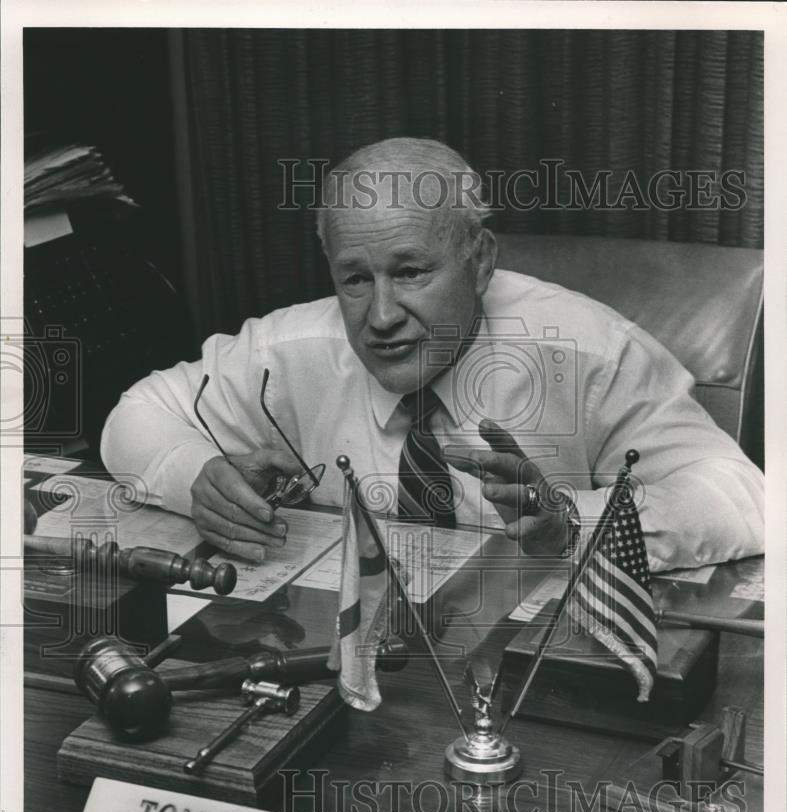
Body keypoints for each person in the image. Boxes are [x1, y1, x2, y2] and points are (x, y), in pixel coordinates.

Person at [101, 137, 764, 573]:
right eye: (355, 278)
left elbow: (744, 498)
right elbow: (135, 415)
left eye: (411, 271)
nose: (380, 316)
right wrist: (195, 474)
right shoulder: (294, 347)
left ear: (479, 262)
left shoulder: (590, 351)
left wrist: (570, 521)